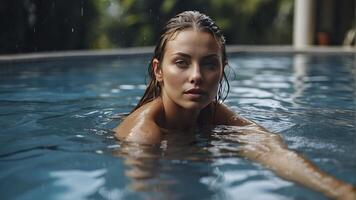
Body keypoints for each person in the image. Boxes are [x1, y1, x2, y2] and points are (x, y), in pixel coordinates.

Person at [114, 11, 356, 199]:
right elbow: (144, 191)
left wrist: (339, 190)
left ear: (222, 69)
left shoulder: (213, 114)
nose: (197, 75)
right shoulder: (144, 134)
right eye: (181, 62)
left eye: (209, 64)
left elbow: (270, 151)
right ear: (158, 70)